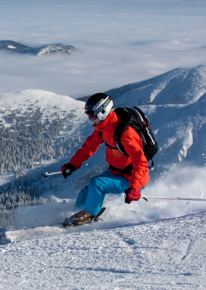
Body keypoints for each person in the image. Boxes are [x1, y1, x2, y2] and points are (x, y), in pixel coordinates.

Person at [61, 93, 149, 226]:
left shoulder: (125, 134)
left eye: (91, 116)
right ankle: (77, 212)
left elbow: (141, 162)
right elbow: (88, 147)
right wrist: (72, 165)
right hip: (115, 172)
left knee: (97, 183)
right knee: (86, 191)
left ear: (102, 112)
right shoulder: (103, 128)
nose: (90, 119)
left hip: (131, 178)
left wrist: (135, 187)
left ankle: (90, 215)